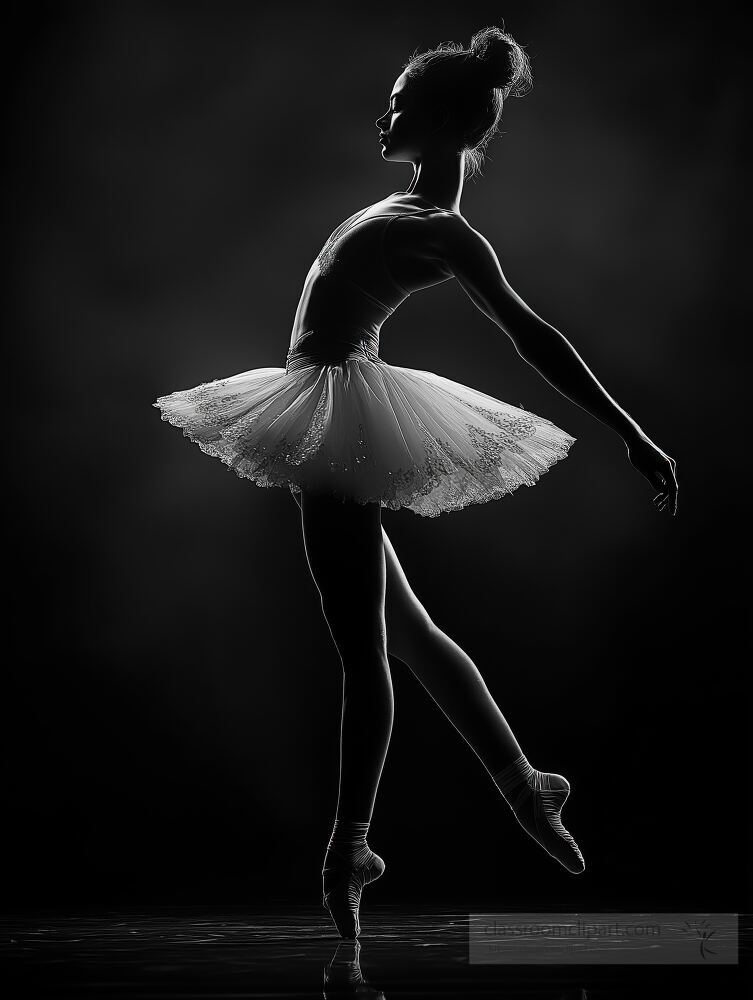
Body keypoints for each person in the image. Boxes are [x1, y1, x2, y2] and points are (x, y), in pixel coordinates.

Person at [153, 24, 678, 940]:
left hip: (340, 419)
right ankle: (524, 785)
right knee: (412, 636)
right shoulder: (392, 208)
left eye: (397, 105)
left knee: (366, 651)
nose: (379, 115)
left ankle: (350, 847)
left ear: (439, 125)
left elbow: (533, 335)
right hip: (328, 407)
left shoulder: (442, 233)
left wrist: (629, 432)